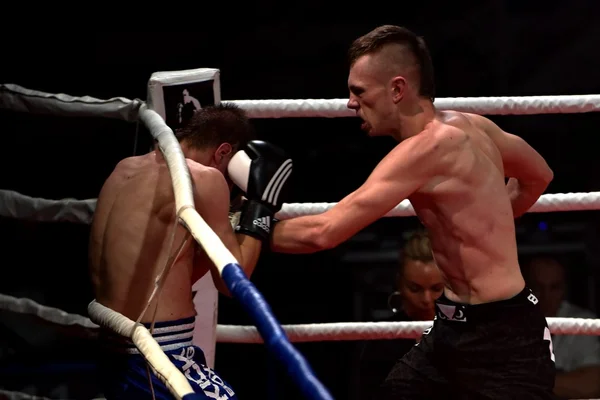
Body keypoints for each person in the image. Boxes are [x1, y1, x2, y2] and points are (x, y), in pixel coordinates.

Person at [270, 24, 556, 399]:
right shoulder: (473, 126)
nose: (350, 103)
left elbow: (324, 232)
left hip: (504, 342)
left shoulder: (424, 151)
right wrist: (498, 218)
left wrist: (244, 228)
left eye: (359, 91)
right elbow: (538, 175)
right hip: (453, 329)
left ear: (397, 89)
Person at [88, 103, 293, 400]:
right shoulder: (204, 179)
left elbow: (169, 269)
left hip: (113, 350)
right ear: (223, 152)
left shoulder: (124, 169)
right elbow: (232, 282)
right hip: (160, 352)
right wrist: (258, 208)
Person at [356, 230, 443, 399]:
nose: (426, 299)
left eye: (436, 289)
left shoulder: (466, 334)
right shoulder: (382, 340)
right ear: (400, 284)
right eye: (415, 289)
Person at [524, 256, 600, 399]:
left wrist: (526, 380)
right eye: (538, 287)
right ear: (526, 288)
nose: (547, 296)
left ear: (564, 289)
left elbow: (592, 384)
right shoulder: (507, 323)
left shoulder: (583, 322)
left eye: (554, 287)